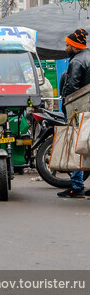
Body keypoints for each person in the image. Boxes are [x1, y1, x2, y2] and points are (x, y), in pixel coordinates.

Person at [57, 29, 90, 198]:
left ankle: (77, 187)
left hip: (79, 112)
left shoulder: (77, 61)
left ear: (76, 47)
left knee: (76, 148)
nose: (66, 47)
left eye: (68, 45)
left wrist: (66, 108)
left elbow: (72, 89)